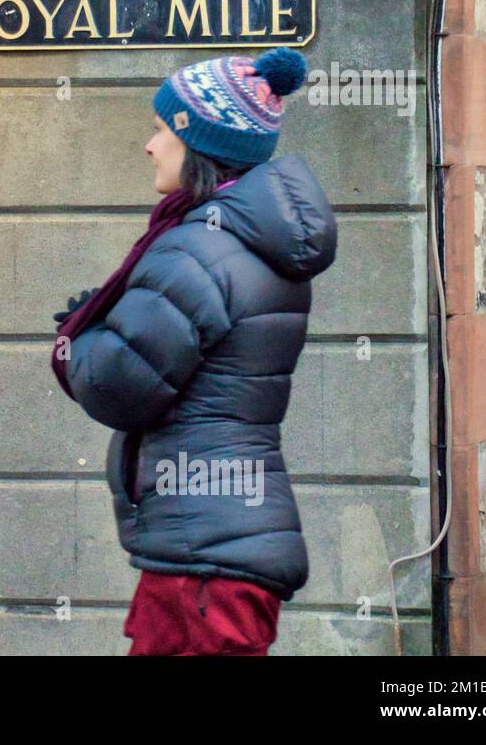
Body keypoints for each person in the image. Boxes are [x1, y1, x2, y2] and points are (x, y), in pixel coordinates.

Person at [52, 48, 337, 655]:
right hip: (214, 546)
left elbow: (118, 385)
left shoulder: (198, 249)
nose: (149, 146)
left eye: (160, 129)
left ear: (196, 140)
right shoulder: (245, 243)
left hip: (203, 566)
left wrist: (80, 338)